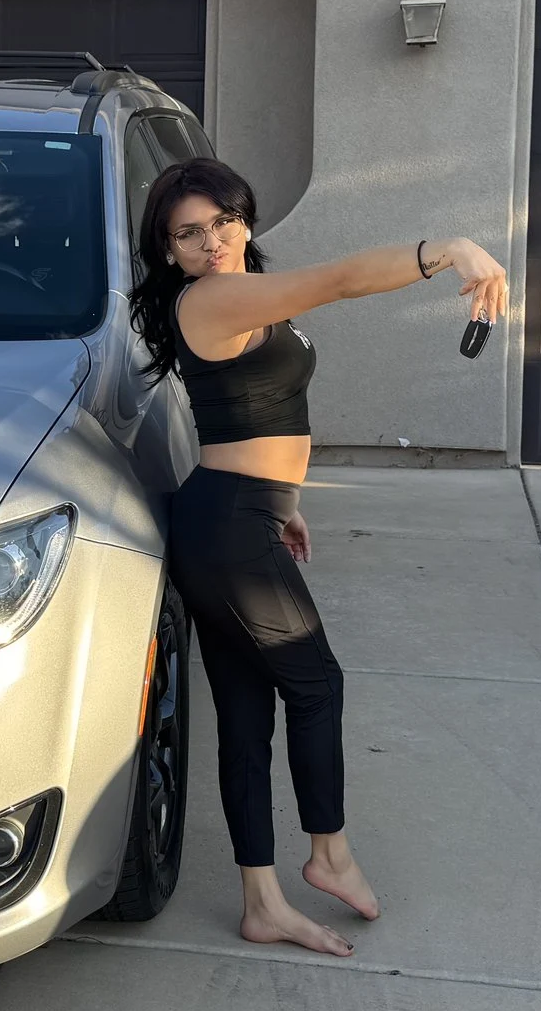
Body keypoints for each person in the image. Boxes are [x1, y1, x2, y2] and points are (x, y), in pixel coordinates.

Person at [133, 157, 508, 956]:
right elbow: (338, 279)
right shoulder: (214, 295)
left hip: (239, 516)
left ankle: (261, 902)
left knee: (245, 713)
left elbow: (261, 407)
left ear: (245, 216)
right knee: (315, 683)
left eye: (223, 220)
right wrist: (450, 248)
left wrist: (288, 502)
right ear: (168, 251)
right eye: (188, 233)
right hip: (229, 523)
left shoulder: (236, 293)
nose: (212, 240)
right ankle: (328, 853)